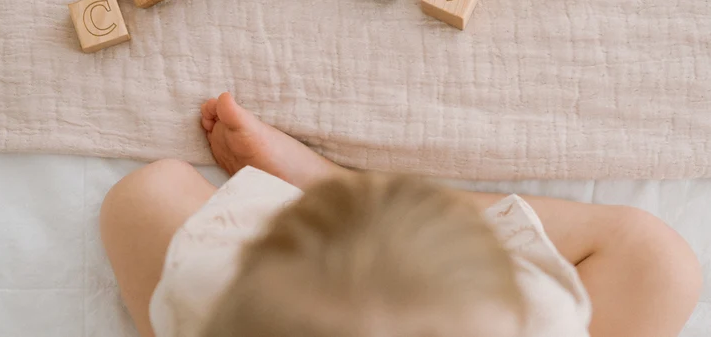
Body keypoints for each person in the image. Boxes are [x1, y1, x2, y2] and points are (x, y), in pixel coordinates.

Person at [100, 93, 701, 337]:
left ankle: (328, 192)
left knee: (148, 196)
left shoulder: (211, 294)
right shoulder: (537, 317)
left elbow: (143, 204)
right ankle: (330, 189)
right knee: (659, 261)